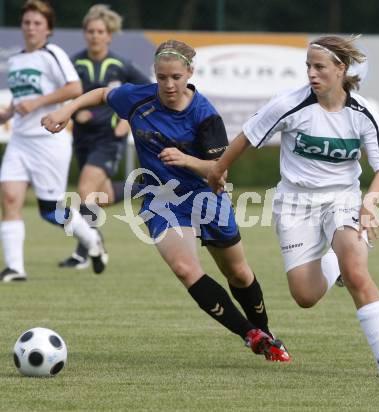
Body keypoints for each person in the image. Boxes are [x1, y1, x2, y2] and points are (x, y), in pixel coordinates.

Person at [41, 39, 291, 362]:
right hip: (160, 200)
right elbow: (102, 94)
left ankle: (267, 332)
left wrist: (187, 160)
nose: (169, 85)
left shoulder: (205, 116)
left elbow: (219, 173)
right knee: (186, 269)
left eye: (175, 77)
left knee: (239, 274)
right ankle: (251, 335)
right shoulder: (138, 98)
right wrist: (68, 109)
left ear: (189, 72)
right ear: (155, 75)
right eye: (162, 78)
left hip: (205, 196)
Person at [207, 35, 379, 379]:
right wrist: (218, 169)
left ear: (341, 69)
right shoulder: (290, 104)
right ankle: (335, 263)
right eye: (308, 67)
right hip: (295, 204)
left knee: (358, 272)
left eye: (320, 67)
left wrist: (371, 199)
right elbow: (247, 136)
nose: (312, 74)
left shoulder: (364, 112)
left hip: (342, 199)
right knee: (305, 295)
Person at [0, 0, 107, 282]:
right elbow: (21, 99)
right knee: (9, 199)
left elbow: (75, 88)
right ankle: (15, 268)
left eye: (38, 23)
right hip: (20, 140)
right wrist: (8, 112)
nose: (31, 28)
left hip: (48, 140)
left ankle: (91, 239)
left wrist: (38, 102)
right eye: (27, 22)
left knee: (50, 210)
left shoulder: (52, 53)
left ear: (48, 29)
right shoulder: (16, 59)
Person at [59, 4, 151, 270]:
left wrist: (127, 119)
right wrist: (75, 114)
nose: (95, 36)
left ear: (109, 35)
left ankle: (85, 251)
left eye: (100, 31)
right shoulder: (74, 63)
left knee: (86, 189)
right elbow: (62, 95)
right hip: (83, 138)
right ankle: (146, 187)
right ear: (84, 33)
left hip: (109, 138)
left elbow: (148, 91)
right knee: (102, 195)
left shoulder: (120, 65)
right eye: (90, 31)